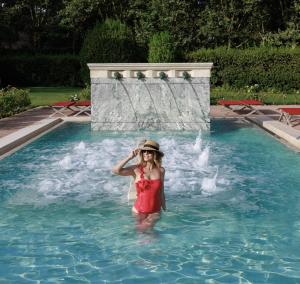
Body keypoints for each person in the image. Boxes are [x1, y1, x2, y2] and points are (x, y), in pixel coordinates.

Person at [112, 140, 166, 231]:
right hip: (138, 211)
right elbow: (116, 170)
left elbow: (161, 191)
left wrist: (165, 208)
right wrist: (129, 157)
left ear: (155, 154)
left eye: (149, 152)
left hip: (155, 211)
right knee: (144, 233)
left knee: (145, 230)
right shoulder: (136, 170)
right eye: (144, 151)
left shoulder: (161, 170)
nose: (145, 153)